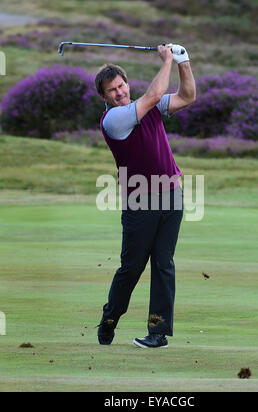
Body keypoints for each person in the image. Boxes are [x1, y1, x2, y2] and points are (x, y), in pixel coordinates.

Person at [95, 44, 196, 348]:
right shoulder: (114, 119)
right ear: (104, 97)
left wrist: (183, 62)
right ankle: (110, 319)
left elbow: (188, 96)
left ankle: (158, 332)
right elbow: (152, 96)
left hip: (171, 196)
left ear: (128, 83)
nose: (119, 92)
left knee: (163, 265)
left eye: (122, 85)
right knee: (132, 268)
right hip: (140, 201)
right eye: (112, 90)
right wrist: (166, 61)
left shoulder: (148, 107)